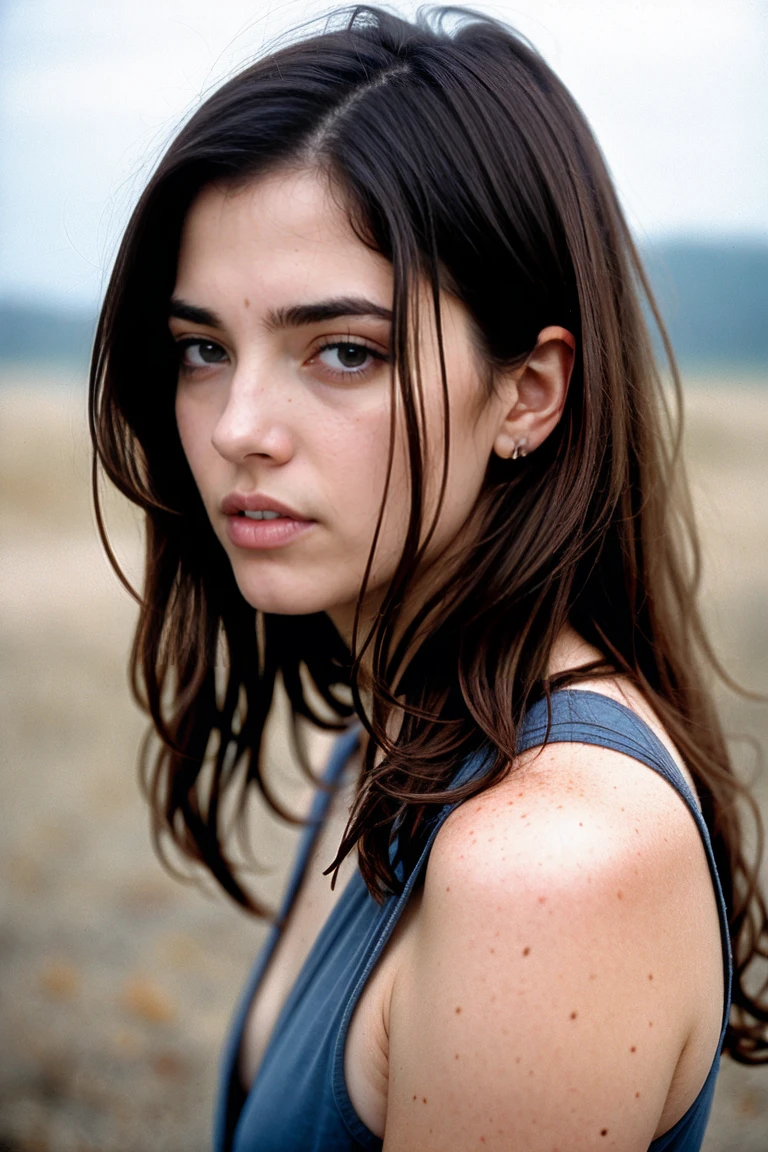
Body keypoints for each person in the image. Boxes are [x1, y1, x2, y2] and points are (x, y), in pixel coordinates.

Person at [89, 6, 768, 1149]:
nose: (240, 427)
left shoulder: (546, 866)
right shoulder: (391, 743)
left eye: (345, 350)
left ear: (528, 394)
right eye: (204, 347)